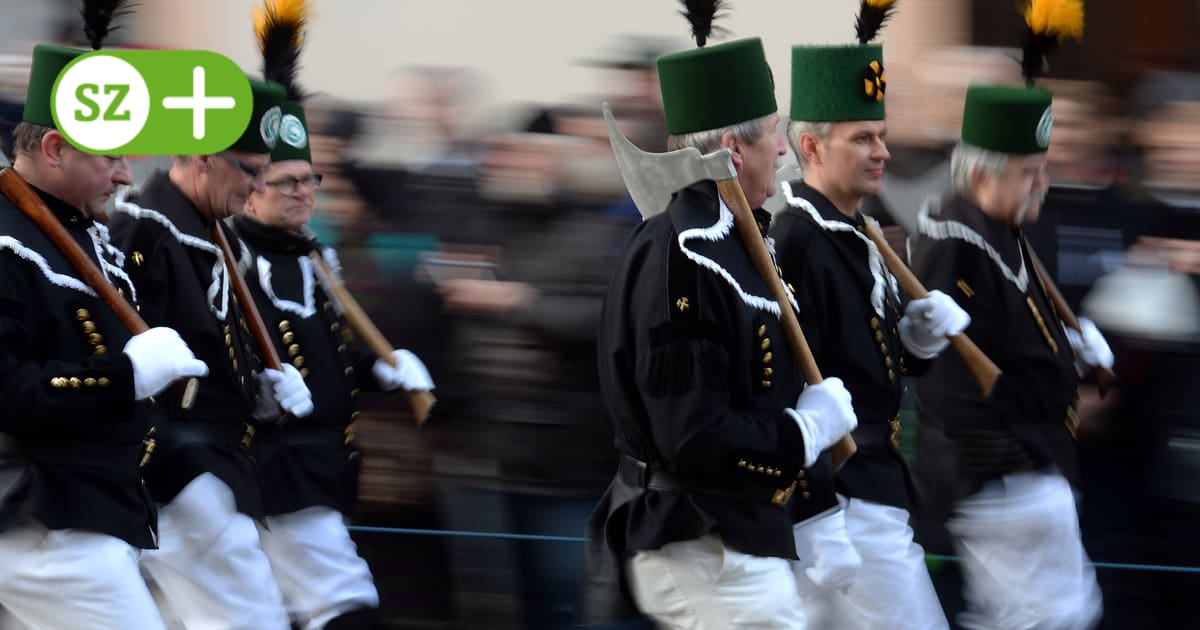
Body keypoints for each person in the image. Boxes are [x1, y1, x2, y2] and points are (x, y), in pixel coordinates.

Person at [579, 6, 859, 626]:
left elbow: (767, 392)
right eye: (774, 135)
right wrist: (803, 435)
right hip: (695, 540)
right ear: (734, 149)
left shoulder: (743, 243)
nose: (785, 149)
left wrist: (816, 509)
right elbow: (693, 433)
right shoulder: (684, 254)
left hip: (745, 532)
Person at [0, 21, 207, 630]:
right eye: (110, 155)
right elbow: (9, 392)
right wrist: (125, 375)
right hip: (45, 519)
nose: (125, 175)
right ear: (55, 148)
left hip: (98, 509)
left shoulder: (83, 237)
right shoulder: (9, 246)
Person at [232, 3, 433, 627]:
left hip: (322, 465)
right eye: (285, 181)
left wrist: (381, 372)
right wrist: (254, 388)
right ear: (248, 186)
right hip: (267, 467)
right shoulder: (225, 255)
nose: (304, 192)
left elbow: (329, 353)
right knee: (343, 606)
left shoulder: (318, 256)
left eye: (309, 179)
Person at [908, 5, 1110, 623]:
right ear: (990, 173)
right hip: (996, 480)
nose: (1044, 184)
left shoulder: (1007, 232)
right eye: (1032, 171)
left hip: (1033, 467)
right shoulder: (952, 240)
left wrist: (1069, 352)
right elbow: (948, 383)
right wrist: (1016, 461)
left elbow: (1016, 335)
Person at [770, 2, 958, 626]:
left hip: (878, 486)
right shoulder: (797, 240)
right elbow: (794, 386)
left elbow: (866, 359)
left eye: (881, 135)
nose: (881, 151)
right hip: (844, 497)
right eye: (862, 138)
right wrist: (817, 512)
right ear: (810, 146)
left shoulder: (861, 230)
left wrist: (915, 344)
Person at [108, 77, 314, 629]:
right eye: (249, 170)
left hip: (221, 465)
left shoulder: (214, 232)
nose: (257, 188)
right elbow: (122, 356)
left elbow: (217, 347)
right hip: (177, 475)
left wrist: (260, 389)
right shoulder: (143, 229)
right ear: (203, 158)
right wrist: (177, 468)